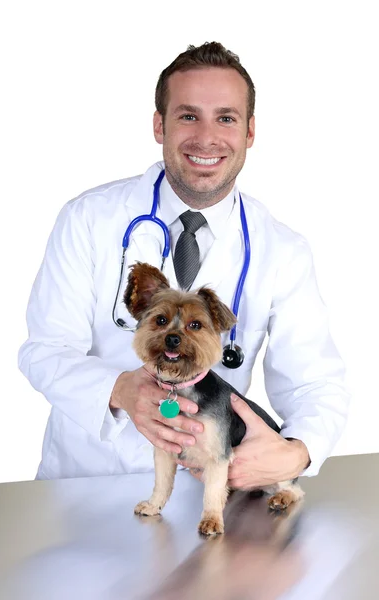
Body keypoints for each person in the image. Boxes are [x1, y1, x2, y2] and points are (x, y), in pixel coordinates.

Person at [18, 42, 350, 484]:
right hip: (87, 480)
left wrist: (297, 453)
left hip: (207, 492)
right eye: (188, 115)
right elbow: (43, 351)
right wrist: (118, 389)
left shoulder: (283, 250)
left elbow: (314, 384)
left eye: (226, 118)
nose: (206, 138)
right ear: (160, 125)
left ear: (250, 132)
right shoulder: (88, 218)